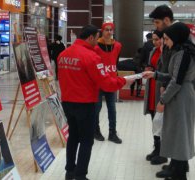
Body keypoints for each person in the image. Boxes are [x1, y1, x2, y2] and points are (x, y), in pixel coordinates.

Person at [58, 24, 134, 180]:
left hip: (67, 103)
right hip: (85, 104)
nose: (98, 40)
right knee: (86, 140)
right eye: (96, 37)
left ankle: (70, 172)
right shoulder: (91, 57)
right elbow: (106, 83)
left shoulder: (63, 54)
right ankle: (80, 175)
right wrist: (124, 80)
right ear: (91, 37)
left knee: (73, 137)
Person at [143, 22, 195, 180]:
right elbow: (175, 77)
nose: (165, 42)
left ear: (176, 37)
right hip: (181, 95)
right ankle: (177, 168)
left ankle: (179, 173)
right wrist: (155, 75)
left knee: (179, 133)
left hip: (180, 96)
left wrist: (162, 100)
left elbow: (176, 81)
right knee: (177, 132)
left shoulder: (183, 54)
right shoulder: (183, 51)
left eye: (166, 39)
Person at [146, 4, 175, 169]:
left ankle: (174, 161)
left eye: (157, 23)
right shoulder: (165, 43)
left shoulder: (179, 41)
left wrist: (164, 84)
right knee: (159, 121)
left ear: (166, 20)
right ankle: (163, 153)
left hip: (172, 91)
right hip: (161, 88)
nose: (155, 28)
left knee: (171, 125)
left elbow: (176, 73)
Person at [93, 22, 123, 143]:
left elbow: (115, 61)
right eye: (107, 30)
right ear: (102, 31)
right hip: (98, 82)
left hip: (111, 81)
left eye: (111, 30)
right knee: (97, 108)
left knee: (112, 109)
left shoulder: (117, 46)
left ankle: (112, 133)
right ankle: (96, 131)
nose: (109, 32)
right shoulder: (95, 46)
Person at [143, 30, 163, 162]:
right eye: (153, 39)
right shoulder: (153, 51)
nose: (154, 42)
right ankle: (156, 148)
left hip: (160, 89)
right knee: (154, 120)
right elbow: (150, 64)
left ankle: (162, 151)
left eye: (157, 39)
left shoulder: (167, 52)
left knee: (161, 121)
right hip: (151, 88)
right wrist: (148, 68)